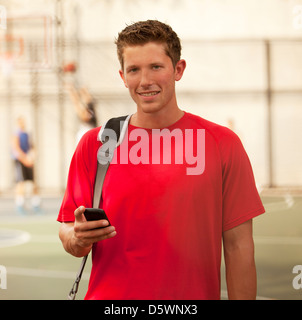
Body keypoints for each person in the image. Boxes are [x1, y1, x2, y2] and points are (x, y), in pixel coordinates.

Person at [58, 20, 265, 300]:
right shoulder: (96, 144)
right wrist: (77, 238)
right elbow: (69, 231)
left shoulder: (222, 144)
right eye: (134, 70)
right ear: (122, 76)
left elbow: (239, 247)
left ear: (178, 69)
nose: (145, 81)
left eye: (156, 67)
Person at [11, 116, 41, 214]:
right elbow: (16, 149)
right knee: (21, 183)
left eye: (23, 122)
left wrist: (32, 156)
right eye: (20, 122)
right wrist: (25, 160)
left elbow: (32, 147)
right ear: (17, 123)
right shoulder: (16, 134)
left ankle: (36, 204)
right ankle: (20, 205)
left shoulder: (27, 134)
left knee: (34, 183)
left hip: (28, 160)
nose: (22, 124)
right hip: (20, 161)